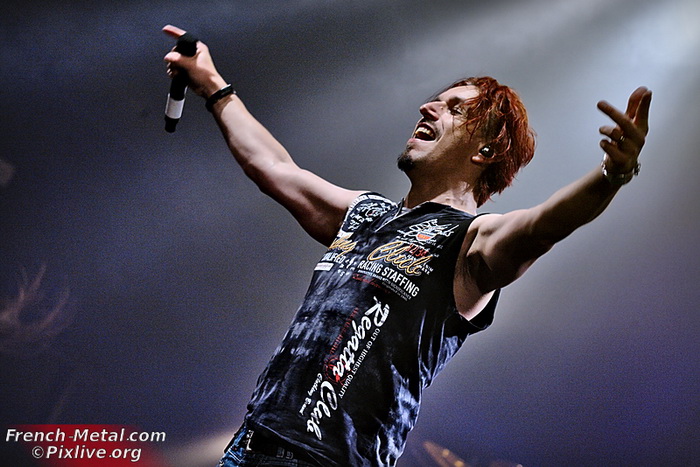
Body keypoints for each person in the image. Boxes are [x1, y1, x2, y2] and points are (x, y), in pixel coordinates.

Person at [162, 24, 652, 467]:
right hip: (247, 447)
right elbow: (273, 167)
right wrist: (212, 84)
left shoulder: (472, 242)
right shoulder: (365, 212)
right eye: (435, 100)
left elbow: (541, 227)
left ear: (485, 150)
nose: (427, 107)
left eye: (454, 109)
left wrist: (611, 175)